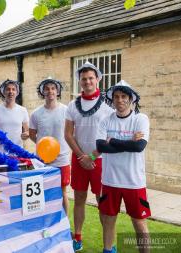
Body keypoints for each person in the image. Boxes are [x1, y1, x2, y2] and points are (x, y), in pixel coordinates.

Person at [64, 62, 113, 251]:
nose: (87, 81)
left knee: (103, 202)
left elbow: (110, 136)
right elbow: (68, 134)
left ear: (98, 79)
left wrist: (91, 157)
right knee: (79, 199)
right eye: (84, 79)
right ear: (80, 81)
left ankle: (108, 244)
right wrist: (81, 156)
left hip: (100, 161)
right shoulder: (72, 105)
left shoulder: (108, 105)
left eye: (91, 78)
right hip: (78, 160)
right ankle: (77, 237)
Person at [96, 80, 150, 253]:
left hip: (134, 182)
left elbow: (139, 147)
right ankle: (108, 250)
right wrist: (128, 142)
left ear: (131, 99)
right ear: (112, 99)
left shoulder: (140, 119)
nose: (119, 100)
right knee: (108, 220)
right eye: (116, 96)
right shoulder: (105, 121)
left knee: (140, 224)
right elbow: (100, 147)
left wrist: (113, 141)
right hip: (110, 181)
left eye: (123, 96)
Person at [29, 78, 71, 213]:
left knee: (63, 191)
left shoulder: (66, 111)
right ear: (42, 92)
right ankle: (47, 223)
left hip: (62, 159)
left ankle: (65, 224)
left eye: (53, 88)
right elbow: (32, 134)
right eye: (47, 89)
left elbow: (71, 133)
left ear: (57, 91)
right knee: (44, 192)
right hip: (43, 161)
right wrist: (45, 149)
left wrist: (56, 149)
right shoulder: (36, 113)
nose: (50, 91)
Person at [0, 79, 29, 153]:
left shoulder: (23, 110)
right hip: (0, 154)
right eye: (8, 89)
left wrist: (26, 134)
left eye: (13, 89)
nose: (11, 92)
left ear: (17, 93)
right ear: (3, 92)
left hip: (18, 153)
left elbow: (27, 130)